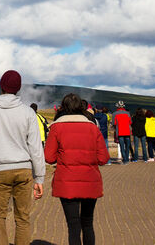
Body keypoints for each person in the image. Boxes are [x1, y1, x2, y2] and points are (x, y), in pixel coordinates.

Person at [0, 70, 45, 245]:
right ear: (18, 88)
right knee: (23, 218)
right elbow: (36, 147)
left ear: (1, 85)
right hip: (24, 171)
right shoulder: (28, 113)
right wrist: (40, 177)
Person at [45, 93, 109, 245]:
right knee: (87, 223)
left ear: (63, 107)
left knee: (73, 226)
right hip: (90, 181)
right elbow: (103, 158)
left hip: (67, 182)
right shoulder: (93, 128)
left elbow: (49, 157)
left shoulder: (56, 127)